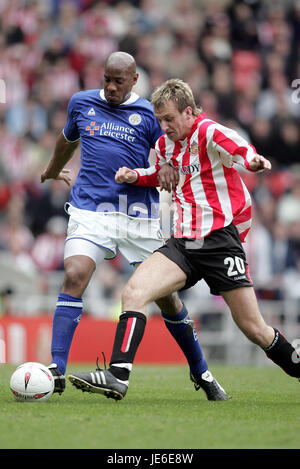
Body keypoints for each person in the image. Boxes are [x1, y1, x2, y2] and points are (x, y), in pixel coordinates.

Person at [69, 78, 300, 400]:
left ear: (189, 112)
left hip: (219, 241)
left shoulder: (208, 131)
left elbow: (239, 148)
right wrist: (137, 175)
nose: (163, 127)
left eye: (169, 119)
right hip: (184, 243)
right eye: (159, 120)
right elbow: (165, 175)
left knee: (254, 329)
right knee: (134, 292)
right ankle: (118, 376)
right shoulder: (164, 146)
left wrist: (253, 161)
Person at [41, 54, 227, 401]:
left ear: (135, 79)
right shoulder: (81, 103)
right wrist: (53, 170)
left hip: (138, 215)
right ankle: (56, 369)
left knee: (168, 299)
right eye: (107, 79)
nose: (111, 87)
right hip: (91, 210)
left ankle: (201, 371)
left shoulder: (148, 115)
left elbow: (175, 149)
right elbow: (67, 140)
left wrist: (171, 169)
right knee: (74, 273)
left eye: (119, 81)